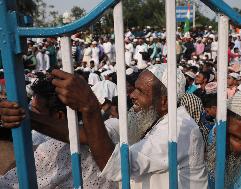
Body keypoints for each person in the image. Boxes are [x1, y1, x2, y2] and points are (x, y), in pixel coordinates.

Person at [0, 64, 208, 189]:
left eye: (141, 92)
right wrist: (28, 117)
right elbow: (89, 135)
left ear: (164, 102)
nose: (132, 95)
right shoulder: (144, 118)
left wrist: (89, 106)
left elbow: (118, 168)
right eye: (134, 89)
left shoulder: (178, 128)